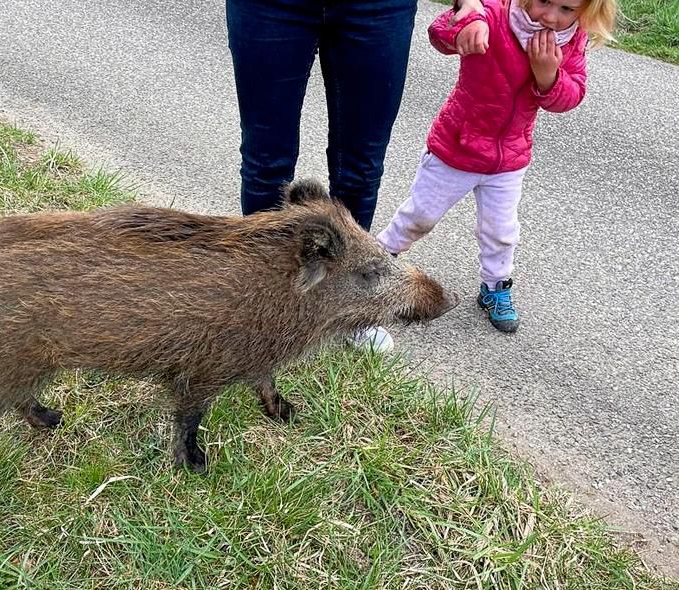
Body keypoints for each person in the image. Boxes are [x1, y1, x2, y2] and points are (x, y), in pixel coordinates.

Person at [225, 0, 483, 353]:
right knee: (266, 161)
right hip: (271, 8)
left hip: (378, 8)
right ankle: (264, 303)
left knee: (360, 166)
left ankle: (353, 310)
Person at [376, 0, 616, 332]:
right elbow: (440, 34)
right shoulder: (495, 11)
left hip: (508, 160)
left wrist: (549, 76)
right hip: (455, 149)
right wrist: (469, 22)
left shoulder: (572, 39)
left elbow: (571, 95)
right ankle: (378, 260)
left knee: (501, 232)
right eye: (545, 1)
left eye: (566, 9)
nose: (551, 16)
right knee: (420, 215)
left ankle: (495, 286)